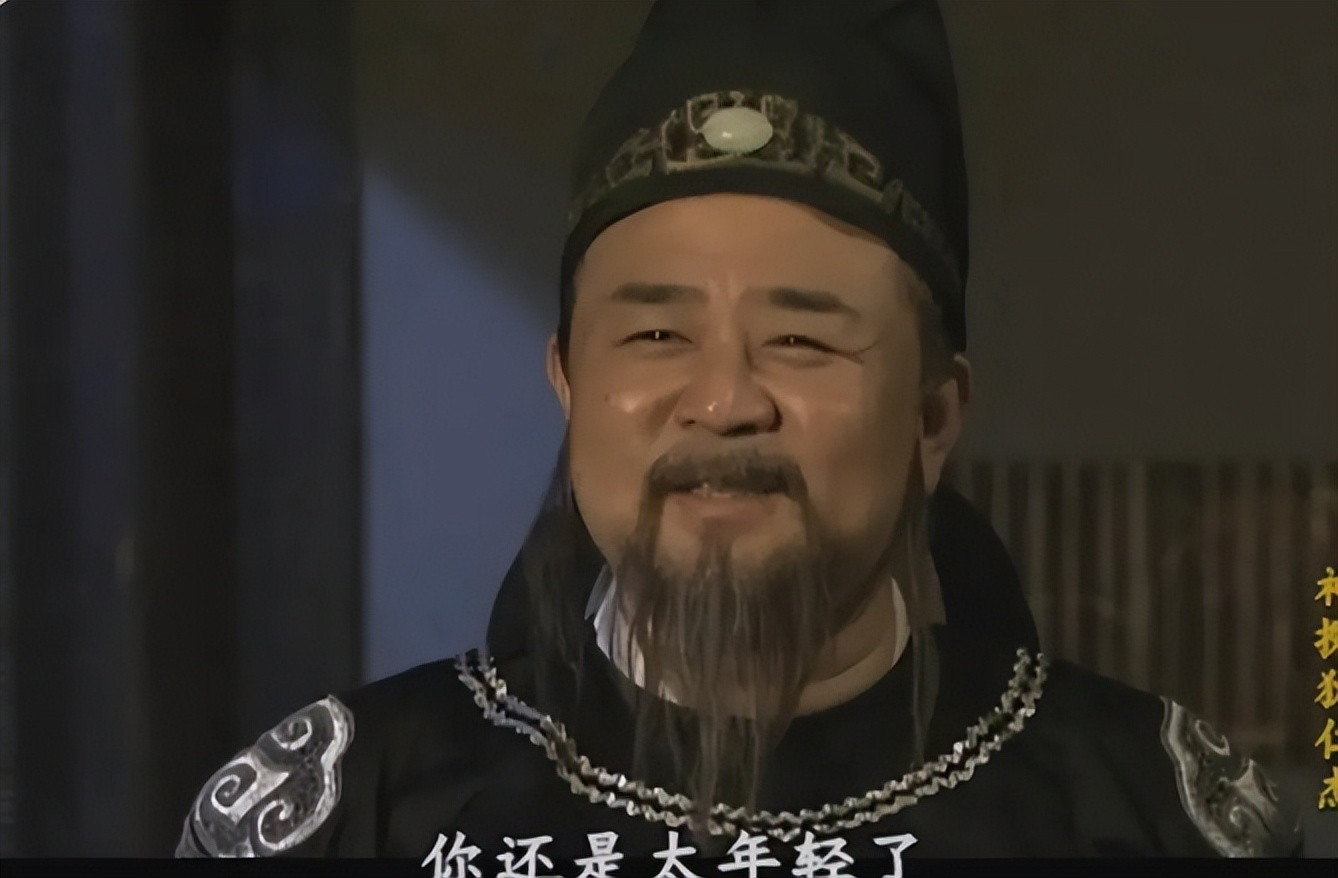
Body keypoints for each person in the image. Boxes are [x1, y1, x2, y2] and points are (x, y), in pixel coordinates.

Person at [177, 0, 1302, 864]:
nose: (724, 401)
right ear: (567, 380)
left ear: (933, 417)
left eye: (802, 341)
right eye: (657, 334)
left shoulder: (1148, 818)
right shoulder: (354, 814)